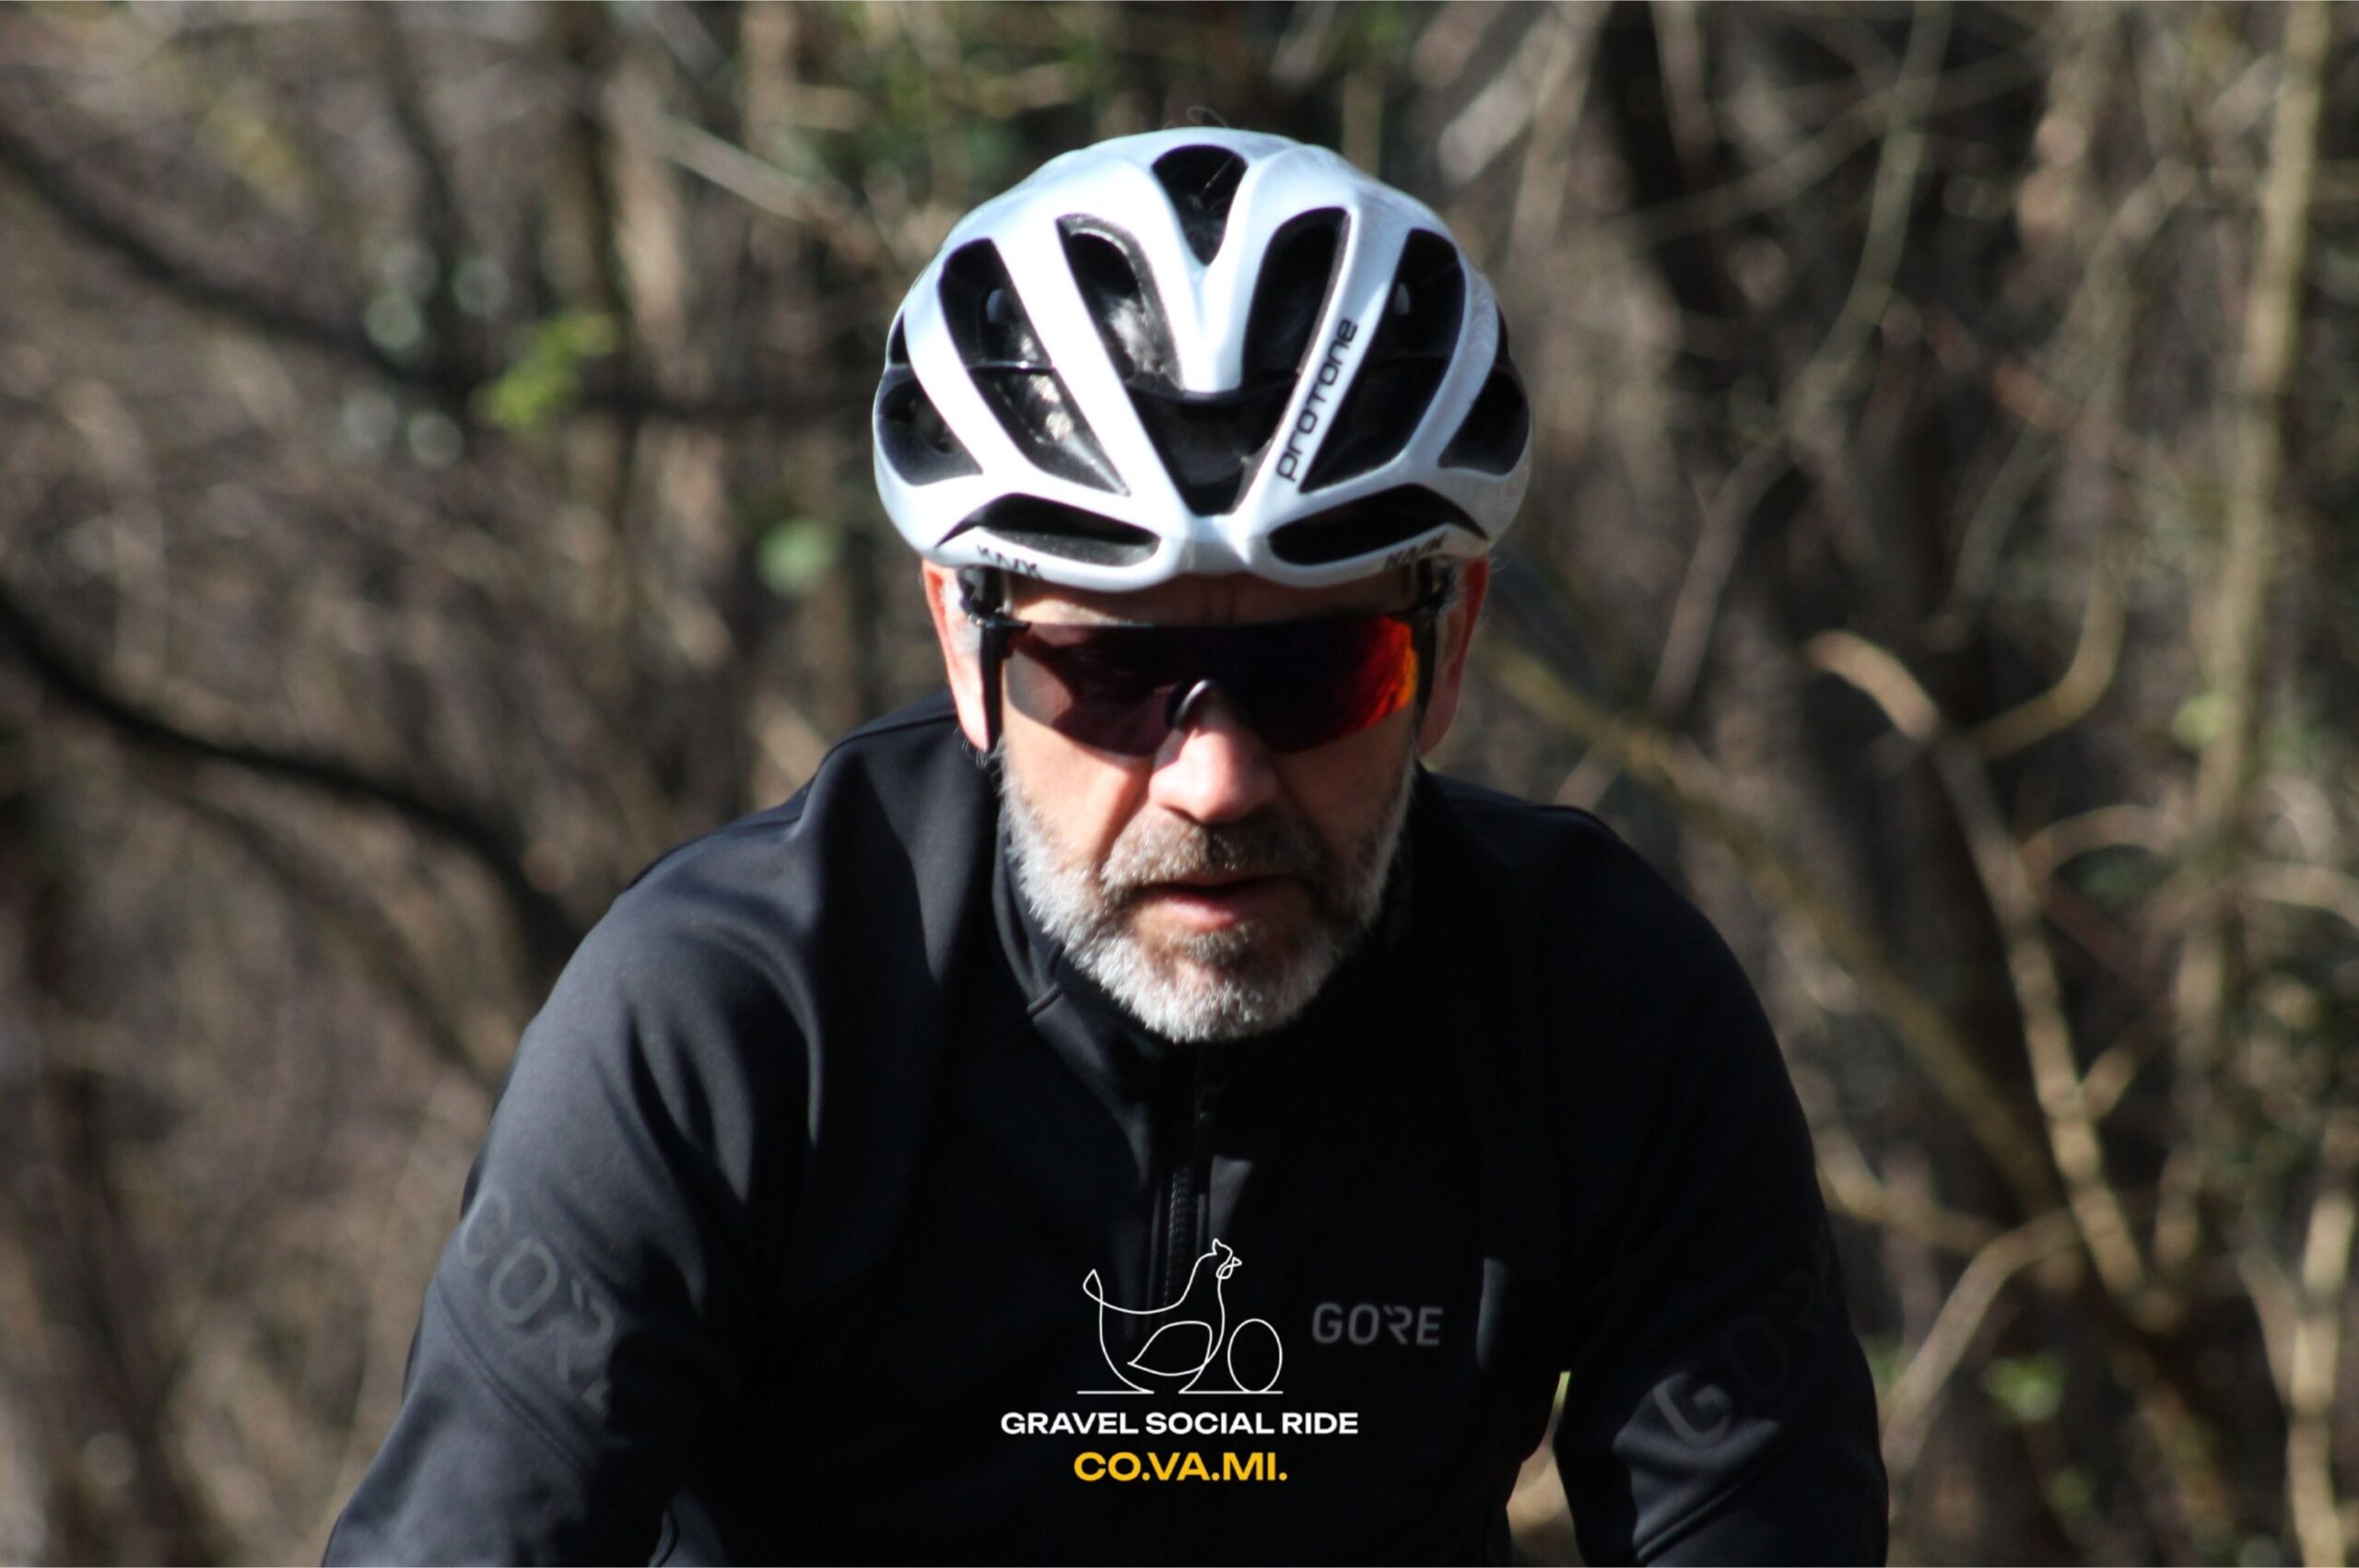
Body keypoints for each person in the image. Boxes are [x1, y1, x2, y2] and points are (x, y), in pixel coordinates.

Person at [327, 127, 1885, 1565]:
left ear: (1449, 641)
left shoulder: (1600, 1013)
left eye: (1319, 669)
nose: (1216, 777)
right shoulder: (729, 1025)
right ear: (969, 645)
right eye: (1113, 673)